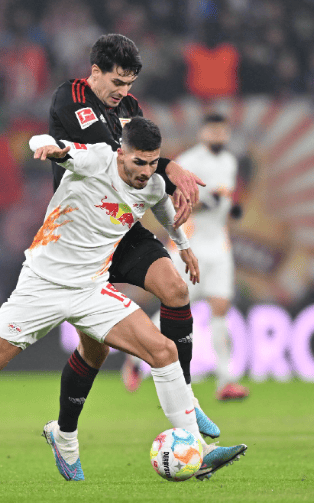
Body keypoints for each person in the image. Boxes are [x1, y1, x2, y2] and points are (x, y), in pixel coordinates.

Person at [0, 117, 246, 488]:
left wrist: (183, 245)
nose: (145, 172)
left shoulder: (152, 184)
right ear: (121, 153)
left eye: (152, 163)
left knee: (163, 351)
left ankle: (196, 451)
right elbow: (51, 144)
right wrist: (48, 148)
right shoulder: (95, 160)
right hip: (42, 286)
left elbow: (163, 206)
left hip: (91, 289)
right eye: (138, 163)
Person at [47, 34, 239, 480]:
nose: (123, 91)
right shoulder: (69, 99)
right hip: (80, 235)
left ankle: (187, 401)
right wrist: (172, 168)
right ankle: (65, 434)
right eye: (116, 82)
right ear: (95, 72)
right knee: (93, 350)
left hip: (122, 226)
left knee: (175, 287)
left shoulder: (129, 107)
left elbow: (143, 161)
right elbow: (116, 157)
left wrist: (180, 231)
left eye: (129, 83)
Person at [122, 113, 249, 401]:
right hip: (189, 245)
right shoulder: (189, 161)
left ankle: (226, 381)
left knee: (221, 309)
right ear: (203, 133)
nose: (217, 135)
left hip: (219, 246)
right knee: (174, 309)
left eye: (222, 130)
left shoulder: (229, 162)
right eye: (212, 130)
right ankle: (135, 358)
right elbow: (171, 199)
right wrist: (204, 204)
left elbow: (223, 198)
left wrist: (230, 208)